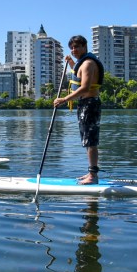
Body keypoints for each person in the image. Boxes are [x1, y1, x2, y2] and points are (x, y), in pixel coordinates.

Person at [53, 35, 104, 185]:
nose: (74, 50)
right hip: (84, 104)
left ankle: (93, 176)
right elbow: (77, 72)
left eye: (77, 47)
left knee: (91, 140)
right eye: (72, 48)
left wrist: (64, 99)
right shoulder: (81, 64)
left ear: (84, 46)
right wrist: (70, 63)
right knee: (86, 140)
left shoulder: (88, 63)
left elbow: (85, 87)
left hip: (90, 104)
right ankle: (90, 172)